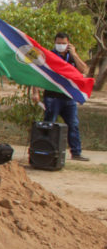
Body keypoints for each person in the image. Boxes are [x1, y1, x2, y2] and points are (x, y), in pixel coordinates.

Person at [43, 32, 89, 161]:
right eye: (58, 43)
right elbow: (39, 73)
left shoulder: (72, 57)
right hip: (52, 96)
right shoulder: (50, 56)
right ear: (54, 43)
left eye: (63, 43)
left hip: (69, 96)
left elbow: (84, 70)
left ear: (68, 44)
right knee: (49, 124)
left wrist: (74, 54)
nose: (61, 45)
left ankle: (76, 152)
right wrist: (35, 92)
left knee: (73, 124)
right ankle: (45, 150)